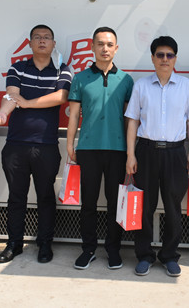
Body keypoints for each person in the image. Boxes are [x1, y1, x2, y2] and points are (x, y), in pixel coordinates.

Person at [0, 24, 72, 264]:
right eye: (37, 37)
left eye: (47, 37)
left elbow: (61, 96)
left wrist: (27, 103)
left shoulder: (63, 70)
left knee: (45, 196)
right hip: (16, 145)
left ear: (54, 44)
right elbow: (11, 95)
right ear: (30, 43)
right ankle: (14, 244)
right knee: (16, 197)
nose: (42, 41)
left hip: (46, 145)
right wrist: (4, 112)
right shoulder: (18, 68)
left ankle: (44, 244)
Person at [124, 36, 189, 277]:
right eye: (160, 55)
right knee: (144, 207)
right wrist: (130, 155)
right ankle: (144, 255)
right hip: (146, 151)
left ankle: (169, 256)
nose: (165, 59)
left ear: (175, 59)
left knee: (173, 207)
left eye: (169, 55)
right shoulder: (141, 86)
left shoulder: (186, 86)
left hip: (176, 153)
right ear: (152, 58)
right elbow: (132, 121)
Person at [66, 27, 134, 270]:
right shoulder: (80, 78)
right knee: (89, 202)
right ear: (93, 47)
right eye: (100, 44)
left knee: (116, 202)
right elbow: (74, 115)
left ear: (116, 48)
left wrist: (130, 151)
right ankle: (88, 249)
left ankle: (113, 249)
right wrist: (70, 144)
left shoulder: (126, 80)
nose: (105, 48)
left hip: (117, 150)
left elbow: (130, 119)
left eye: (109, 44)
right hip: (88, 149)